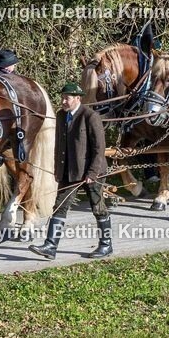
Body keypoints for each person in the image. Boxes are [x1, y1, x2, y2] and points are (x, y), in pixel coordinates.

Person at [30, 82, 111, 260]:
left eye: (67, 98)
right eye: (62, 98)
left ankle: (106, 245)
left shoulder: (90, 116)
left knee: (98, 207)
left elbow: (99, 149)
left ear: (77, 98)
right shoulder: (60, 116)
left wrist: (92, 173)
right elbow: (60, 145)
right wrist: (58, 169)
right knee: (59, 206)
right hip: (68, 171)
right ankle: (50, 246)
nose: (63, 101)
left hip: (92, 172)